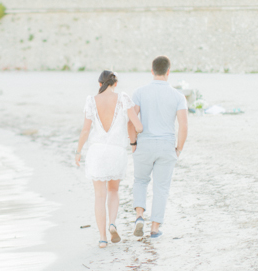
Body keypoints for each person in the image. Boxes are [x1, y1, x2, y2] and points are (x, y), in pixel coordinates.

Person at [75, 71, 143, 248]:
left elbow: (85, 130)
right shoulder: (123, 98)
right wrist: (137, 136)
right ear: (115, 84)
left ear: (100, 84)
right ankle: (113, 223)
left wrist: (78, 151)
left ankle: (102, 238)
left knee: (99, 196)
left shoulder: (91, 100)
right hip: (116, 152)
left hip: (97, 152)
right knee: (113, 191)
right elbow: (137, 125)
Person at [128, 56, 188, 239]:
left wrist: (133, 143)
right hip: (166, 145)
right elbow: (184, 126)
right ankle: (154, 228)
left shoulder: (139, 92)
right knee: (161, 187)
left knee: (140, 180)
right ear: (168, 72)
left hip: (144, 144)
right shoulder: (178, 96)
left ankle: (139, 216)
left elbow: (131, 121)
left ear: (152, 71)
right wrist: (178, 148)